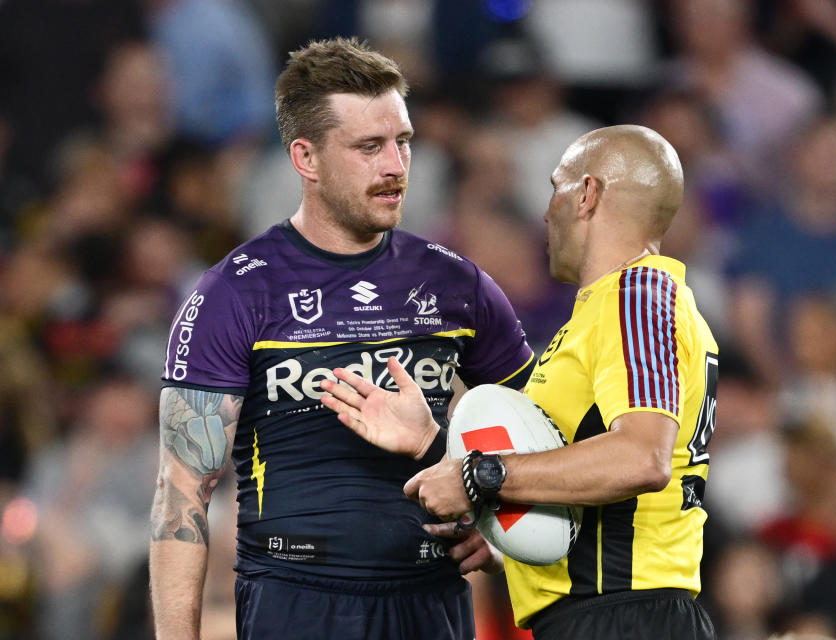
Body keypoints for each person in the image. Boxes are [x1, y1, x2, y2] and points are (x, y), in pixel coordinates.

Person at [148, 37, 536, 640]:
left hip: (431, 600)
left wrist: (501, 528)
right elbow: (181, 493)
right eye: (369, 147)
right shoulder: (235, 293)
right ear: (306, 158)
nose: (396, 166)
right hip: (295, 603)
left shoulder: (457, 283)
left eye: (403, 141)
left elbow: (543, 430)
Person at [320, 125, 718, 639]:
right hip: (602, 614)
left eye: (556, 187)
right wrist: (435, 447)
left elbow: (642, 458)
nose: (545, 212)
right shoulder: (609, 312)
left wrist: (475, 478)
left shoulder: (636, 295)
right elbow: (574, 475)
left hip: (625, 618)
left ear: (588, 194)